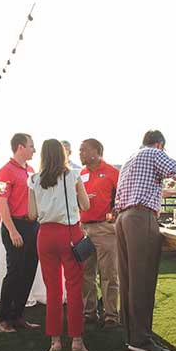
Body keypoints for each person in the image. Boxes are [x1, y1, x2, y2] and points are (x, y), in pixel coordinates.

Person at [115, 130, 176, 351]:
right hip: (141, 218)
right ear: (160, 144)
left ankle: (131, 335)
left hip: (123, 218)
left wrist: (159, 189)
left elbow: (137, 189)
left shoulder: (130, 159)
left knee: (128, 280)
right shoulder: (154, 153)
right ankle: (141, 340)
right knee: (143, 279)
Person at [29, 139, 92, 351]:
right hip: (69, 233)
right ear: (63, 154)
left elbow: (31, 215)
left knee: (52, 289)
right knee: (74, 288)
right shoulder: (73, 175)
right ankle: (76, 341)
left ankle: (55, 342)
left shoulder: (34, 179)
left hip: (45, 235)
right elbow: (85, 205)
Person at [0, 133, 40, 333]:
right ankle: (3, 319)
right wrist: (12, 231)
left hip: (32, 226)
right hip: (15, 226)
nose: (34, 150)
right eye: (31, 146)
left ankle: (18, 315)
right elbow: (1, 203)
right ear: (20, 147)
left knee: (29, 271)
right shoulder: (5, 172)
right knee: (14, 272)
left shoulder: (30, 170)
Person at [78, 138, 120, 328]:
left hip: (105, 229)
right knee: (86, 273)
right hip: (83, 229)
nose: (80, 153)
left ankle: (111, 314)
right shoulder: (81, 174)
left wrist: (114, 217)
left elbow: (122, 198)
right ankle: (89, 313)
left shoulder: (112, 172)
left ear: (95, 151)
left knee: (108, 273)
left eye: (83, 150)